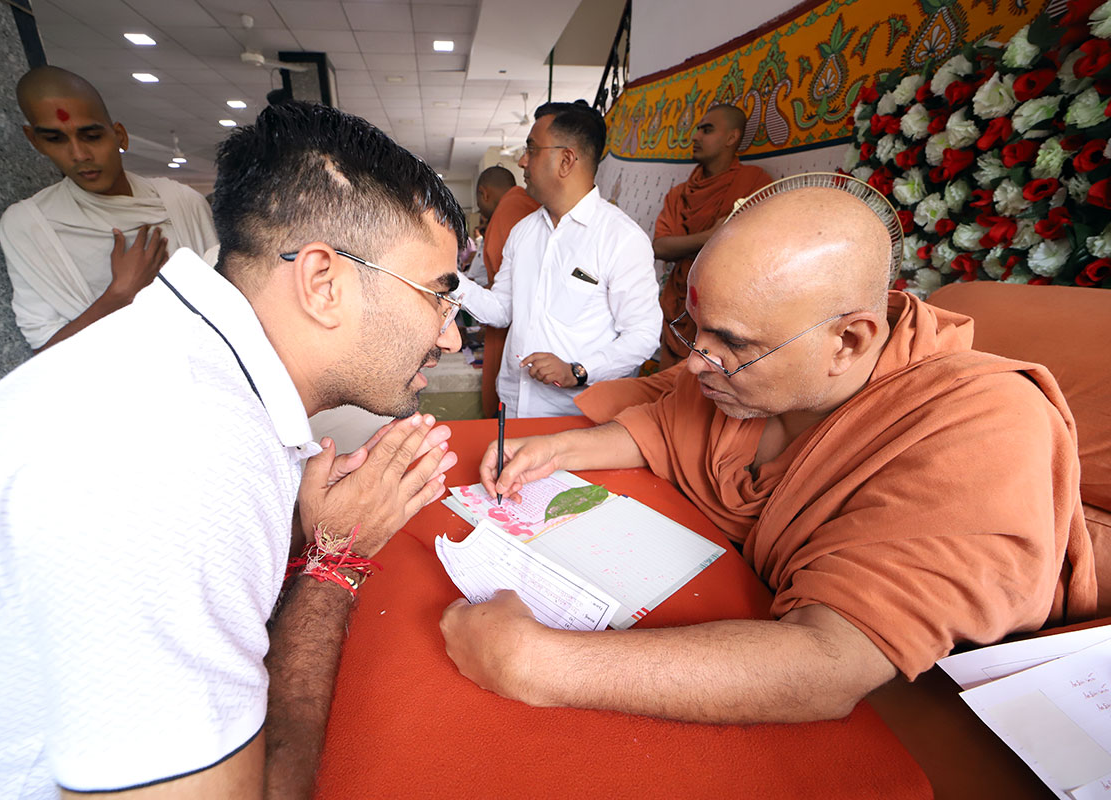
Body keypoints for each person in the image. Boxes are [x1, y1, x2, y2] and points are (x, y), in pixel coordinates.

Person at [0, 101, 468, 798]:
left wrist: (303, 528)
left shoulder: (181, 363)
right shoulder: (179, 454)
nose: (451, 337)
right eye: (436, 296)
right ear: (324, 283)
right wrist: (336, 562)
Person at [439, 176, 1096, 724]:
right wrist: (559, 451)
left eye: (730, 343)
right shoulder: (742, 380)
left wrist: (535, 662)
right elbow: (665, 427)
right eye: (695, 331)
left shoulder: (980, 424)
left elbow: (829, 663)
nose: (697, 363)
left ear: (848, 341)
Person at [455, 101, 662, 418]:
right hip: (513, 406)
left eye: (532, 149)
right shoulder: (523, 232)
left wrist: (578, 370)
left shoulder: (621, 238)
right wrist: (450, 280)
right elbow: (501, 310)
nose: (522, 162)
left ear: (566, 161)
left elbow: (643, 335)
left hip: (576, 415)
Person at [0, 66, 218, 351]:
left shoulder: (183, 203)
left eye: (91, 136)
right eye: (55, 139)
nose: (79, 155)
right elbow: (45, 353)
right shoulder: (27, 226)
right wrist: (119, 295)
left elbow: (230, 307)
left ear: (120, 136)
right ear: (35, 141)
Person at [654, 104, 772, 369]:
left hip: (727, 307)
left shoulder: (755, 182)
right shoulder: (679, 193)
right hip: (678, 304)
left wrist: (688, 244)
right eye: (697, 130)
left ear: (732, 137)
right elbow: (660, 247)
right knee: (668, 388)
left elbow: (753, 247)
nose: (695, 137)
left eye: (706, 130)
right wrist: (711, 236)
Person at [473, 165, 540, 417]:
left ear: (484, 193)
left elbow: (506, 295)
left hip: (511, 327)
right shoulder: (526, 206)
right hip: (518, 323)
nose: (524, 161)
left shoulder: (509, 212)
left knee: (504, 414)